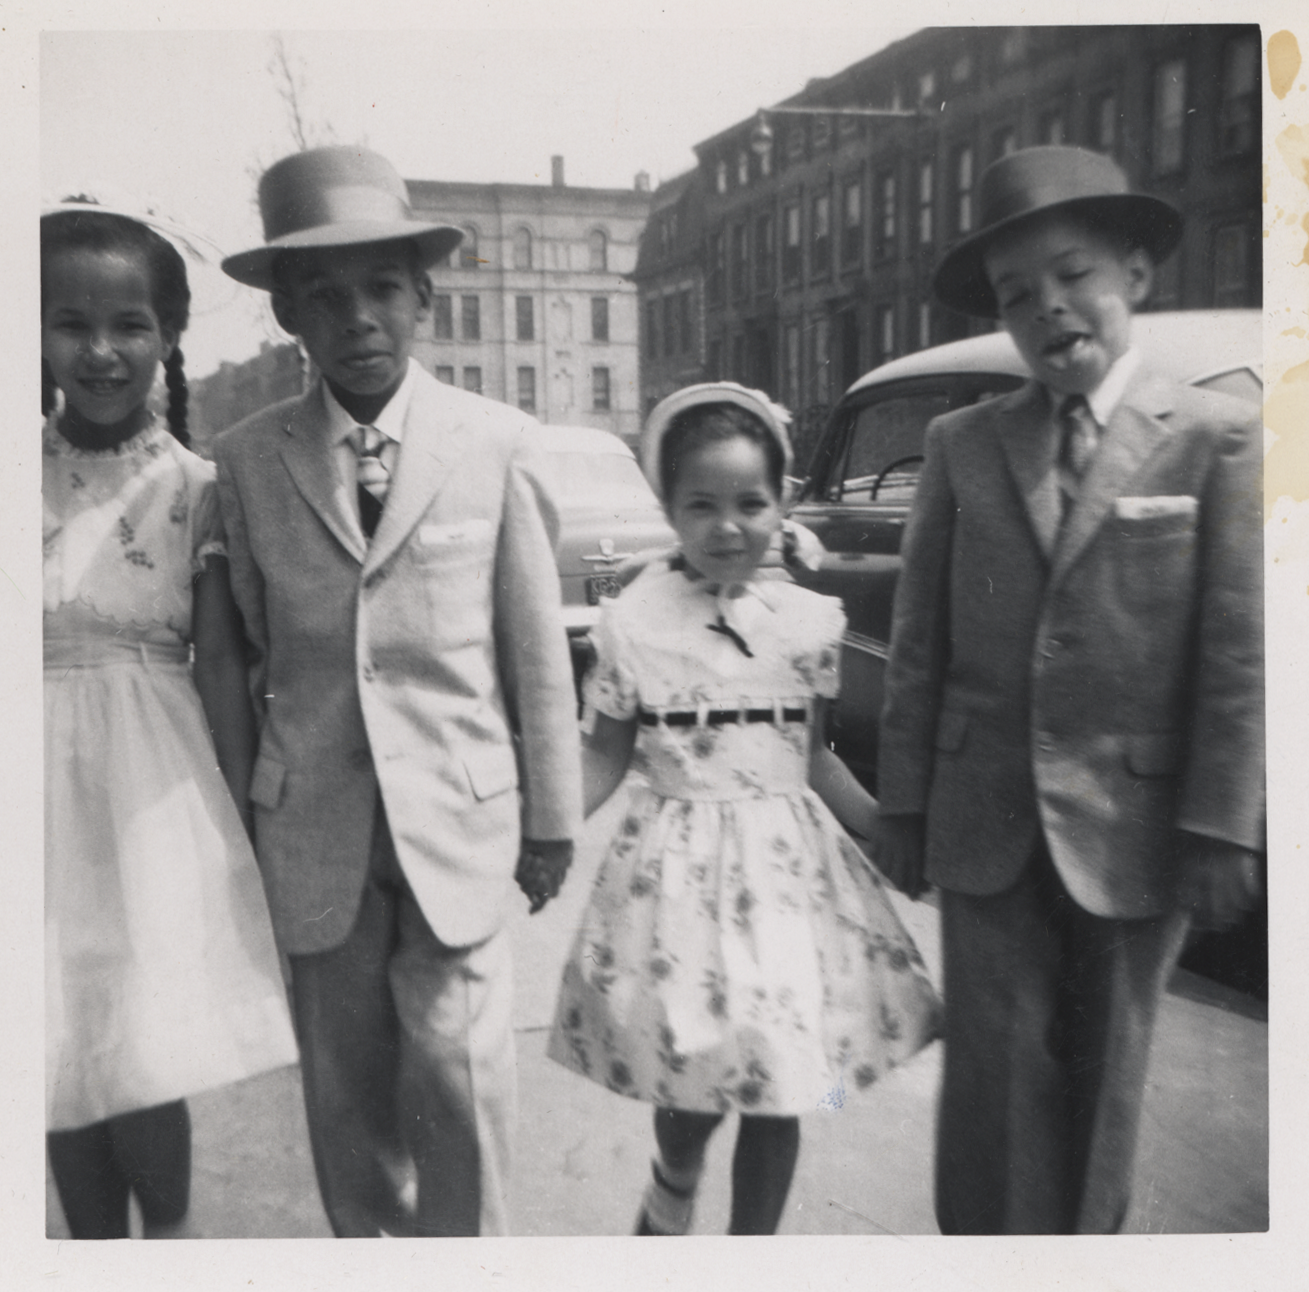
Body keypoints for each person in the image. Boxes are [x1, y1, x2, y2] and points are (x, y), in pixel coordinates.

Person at [875, 146, 1264, 1234]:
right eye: (1014, 294)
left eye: (1072, 274)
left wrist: (1221, 823)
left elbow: (1237, 652)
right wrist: (902, 804)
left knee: (1105, 1079)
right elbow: (918, 641)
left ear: (1134, 272)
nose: (1046, 307)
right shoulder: (962, 444)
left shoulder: (1218, 439)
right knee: (993, 1080)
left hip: (1136, 826)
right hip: (985, 822)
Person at [213, 146, 582, 1238]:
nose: (358, 318)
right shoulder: (248, 461)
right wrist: (250, 819)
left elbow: (535, 650)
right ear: (288, 314)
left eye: (381, 288)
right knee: (345, 1093)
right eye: (325, 297)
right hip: (314, 825)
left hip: (456, 821)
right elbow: (248, 651)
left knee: (462, 1076)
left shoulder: (495, 442)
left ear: (424, 296)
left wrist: (552, 818)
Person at [548, 383, 940, 1236]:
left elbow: (816, 757)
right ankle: (674, 1178)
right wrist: (541, 827)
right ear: (668, 510)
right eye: (702, 505)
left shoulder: (807, 623)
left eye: (750, 504)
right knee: (690, 1075)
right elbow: (603, 754)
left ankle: (750, 1252)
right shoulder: (632, 623)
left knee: (783, 1082)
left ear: (781, 504)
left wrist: (886, 827)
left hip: (788, 888)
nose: (728, 526)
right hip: (675, 886)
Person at [41, 203, 298, 1239]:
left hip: (149, 792)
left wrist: (246, 820)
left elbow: (224, 665)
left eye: (129, 325)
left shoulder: (197, 489)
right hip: (35, 793)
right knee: (52, 1043)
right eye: (70, 323)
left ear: (170, 333)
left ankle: (170, 1247)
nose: (100, 351)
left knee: (141, 1046)